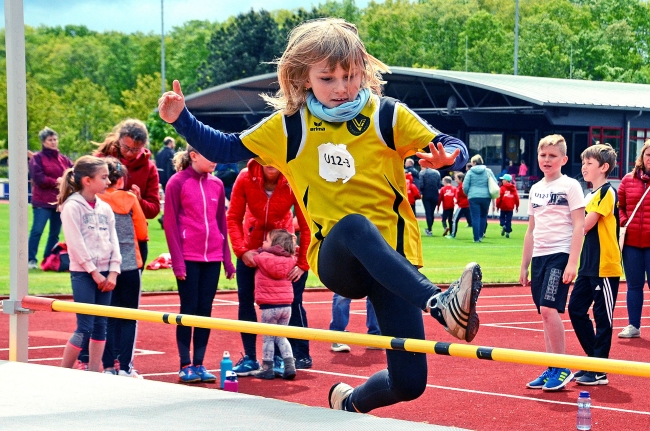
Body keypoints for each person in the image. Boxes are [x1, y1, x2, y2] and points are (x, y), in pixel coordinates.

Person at [159, 18, 483, 413]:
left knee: (410, 382)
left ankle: (350, 403)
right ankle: (438, 303)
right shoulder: (290, 127)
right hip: (337, 258)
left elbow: (448, 143)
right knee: (354, 225)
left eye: (349, 76)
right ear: (302, 78)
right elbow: (227, 148)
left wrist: (450, 156)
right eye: (328, 78)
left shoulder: (386, 116)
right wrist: (181, 119)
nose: (341, 87)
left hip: (397, 263)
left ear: (362, 70)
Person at [226, 159, 312, 375]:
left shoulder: (293, 179)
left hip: (281, 251)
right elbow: (233, 217)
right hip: (251, 248)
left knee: (284, 304)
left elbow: (307, 222)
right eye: (265, 157)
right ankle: (250, 358)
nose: (270, 162)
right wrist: (241, 250)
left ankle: (280, 358)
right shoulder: (245, 178)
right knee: (245, 300)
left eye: (274, 157)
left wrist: (302, 263)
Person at [163, 145, 236, 383]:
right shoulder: (177, 183)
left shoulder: (216, 184)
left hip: (213, 257)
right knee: (188, 310)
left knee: (205, 312)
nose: (215, 160)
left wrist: (227, 259)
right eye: (209, 155)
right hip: (189, 257)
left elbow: (221, 226)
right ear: (193, 155)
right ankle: (185, 364)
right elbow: (171, 226)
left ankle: (200, 364)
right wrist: (178, 263)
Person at [519, 134, 585, 391]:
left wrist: (572, 262)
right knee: (545, 315)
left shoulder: (570, 186)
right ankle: (551, 366)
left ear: (564, 159)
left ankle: (561, 366)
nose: (547, 160)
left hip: (560, 254)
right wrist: (524, 265)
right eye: (543, 155)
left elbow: (579, 225)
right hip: (539, 257)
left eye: (552, 156)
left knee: (549, 309)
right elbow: (530, 229)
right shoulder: (535, 189)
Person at [57, 156, 121, 372]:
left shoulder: (105, 208)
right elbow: (75, 244)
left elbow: (114, 240)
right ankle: (63, 372)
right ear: (87, 180)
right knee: (85, 326)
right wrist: (94, 272)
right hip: (83, 274)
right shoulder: (72, 207)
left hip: (106, 273)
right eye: (103, 178)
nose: (108, 182)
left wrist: (113, 271)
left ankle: (95, 371)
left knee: (101, 326)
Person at [568, 144, 621, 385]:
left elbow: (585, 225)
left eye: (589, 163)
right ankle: (594, 361)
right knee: (576, 309)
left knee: (603, 318)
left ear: (604, 167)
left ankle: (599, 369)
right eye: (584, 163)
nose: (584, 167)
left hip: (605, 266)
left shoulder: (606, 193)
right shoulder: (589, 195)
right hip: (587, 265)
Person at [98, 157, 148, 378]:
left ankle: (108, 366)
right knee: (129, 318)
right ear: (120, 178)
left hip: (104, 266)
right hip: (129, 266)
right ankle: (126, 366)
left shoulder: (95, 200)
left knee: (107, 316)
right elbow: (142, 232)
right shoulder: (129, 199)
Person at [94, 119, 160, 264]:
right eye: (126, 147)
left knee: (131, 285)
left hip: (134, 240)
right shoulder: (100, 160)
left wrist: (139, 201)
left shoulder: (149, 168)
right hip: (102, 236)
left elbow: (154, 209)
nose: (130, 153)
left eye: (135, 150)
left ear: (143, 146)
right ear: (119, 140)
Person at [251, 229, 298, 380]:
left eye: (266, 240)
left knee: (268, 338)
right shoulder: (291, 259)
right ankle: (290, 365)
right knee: (282, 336)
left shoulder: (262, 257)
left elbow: (252, 258)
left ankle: (267, 368)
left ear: (274, 245)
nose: (263, 243)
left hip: (269, 306)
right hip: (286, 306)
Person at [617, 139, 650, 339]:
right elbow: (620, 206)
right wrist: (624, 222)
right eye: (648, 155)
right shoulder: (627, 180)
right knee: (634, 285)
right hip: (631, 244)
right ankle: (633, 325)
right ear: (642, 157)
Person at [27, 127, 73, 269]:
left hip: (59, 201)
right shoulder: (37, 159)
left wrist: (66, 182)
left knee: (55, 233)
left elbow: (72, 174)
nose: (53, 142)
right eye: (50, 140)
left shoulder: (63, 159)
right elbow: (39, 179)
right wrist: (58, 181)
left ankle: (48, 259)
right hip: (42, 201)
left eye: (55, 139)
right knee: (37, 230)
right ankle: (31, 260)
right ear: (43, 142)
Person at [463, 154, 497, 242]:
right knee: (483, 216)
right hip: (486, 196)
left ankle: (476, 238)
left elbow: (465, 186)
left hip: (473, 196)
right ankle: (481, 235)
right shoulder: (488, 171)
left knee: (475, 217)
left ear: (474, 162)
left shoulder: (470, 172)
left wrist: (469, 193)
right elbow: (495, 182)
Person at [155, 136, 176, 229]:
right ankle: (165, 218)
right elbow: (172, 168)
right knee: (172, 200)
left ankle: (165, 218)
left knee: (168, 199)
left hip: (161, 179)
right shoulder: (171, 153)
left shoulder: (159, 153)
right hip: (170, 179)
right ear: (170, 143)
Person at [448, 172, 472, 239]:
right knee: (471, 221)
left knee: (455, 220)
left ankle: (453, 234)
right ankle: (480, 233)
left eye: (456, 178)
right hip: (465, 205)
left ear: (461, 179)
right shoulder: (461, 186)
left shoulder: (462, 186)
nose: (455, 180)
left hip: (462, 205)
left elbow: (465, 194)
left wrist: (458, 201)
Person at [496, 174, 519, 238]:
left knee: (502, 218)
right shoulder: (513, 188)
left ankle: (503, 225)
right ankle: (508, 232)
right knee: (509, 220)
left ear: (506, 181)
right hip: (510, 207)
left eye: (503, 180)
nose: (502, 181)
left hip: (503, 206)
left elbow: (499, 198)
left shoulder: (502, 188)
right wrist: (517, 206)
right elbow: (516, 198)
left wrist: (497, 206)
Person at [419, 167, 441, 236]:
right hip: (435, 193)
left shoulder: (422, 173)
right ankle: (429, 228)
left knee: (428, 212)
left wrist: (421, 191)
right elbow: (439, 185)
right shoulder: (437, 172)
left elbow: (421, 185)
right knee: (431, 212)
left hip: (426, 193)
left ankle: (429, 229)